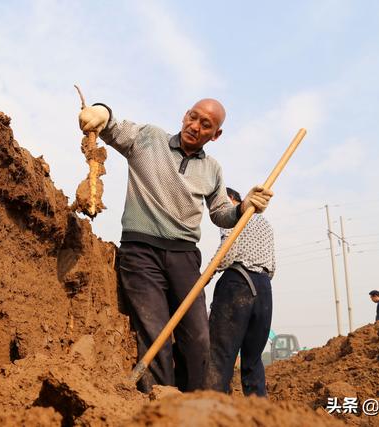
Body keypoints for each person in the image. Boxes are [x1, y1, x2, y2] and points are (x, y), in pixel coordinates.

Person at [78, 100, 273, 392]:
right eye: (193, 117)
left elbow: (221, 213)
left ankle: (192, 406)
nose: (195, 126)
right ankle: (160, 407)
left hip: (184, 257)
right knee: (154, 334)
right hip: (141, 252)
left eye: (206, 125)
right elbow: (113, 129)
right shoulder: (148, 138)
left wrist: (244, 205)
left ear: (216, 135)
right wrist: (101, 111)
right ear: (185, 116)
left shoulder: (212, 169)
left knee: (198, 339)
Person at [203, 187, 275, 397]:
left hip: (238, 283)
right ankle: (258, 410)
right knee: (253, 358)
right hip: (263, 288)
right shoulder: (265, 223)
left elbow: (227, 252)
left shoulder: (237, 218)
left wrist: (206, 275)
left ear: (233, 200)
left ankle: (214, 407)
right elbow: (272, 264)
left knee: (220, 354)